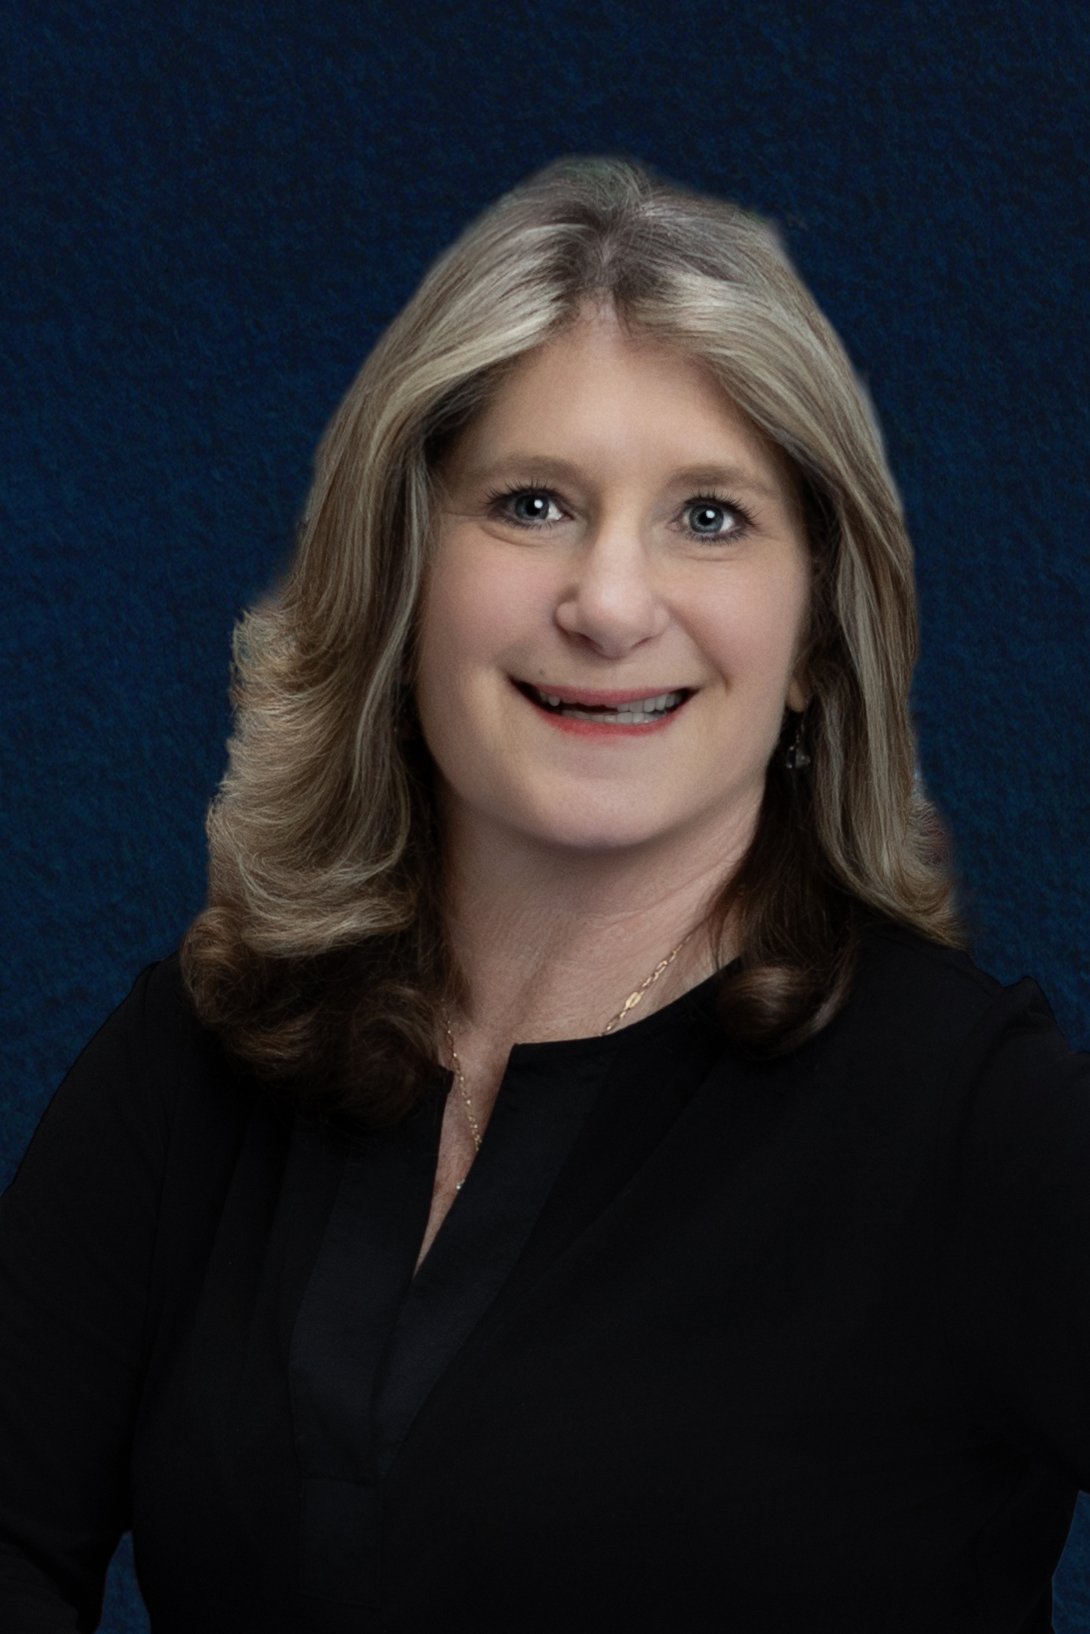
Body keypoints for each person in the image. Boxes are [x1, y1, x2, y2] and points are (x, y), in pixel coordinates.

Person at [1, 156, 1087, 1634]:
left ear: (818, 633)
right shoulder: (210, 1047)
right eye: (530, 502)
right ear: (401, 577)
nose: (609, 602)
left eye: (709, 517)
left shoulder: (965, 1113)